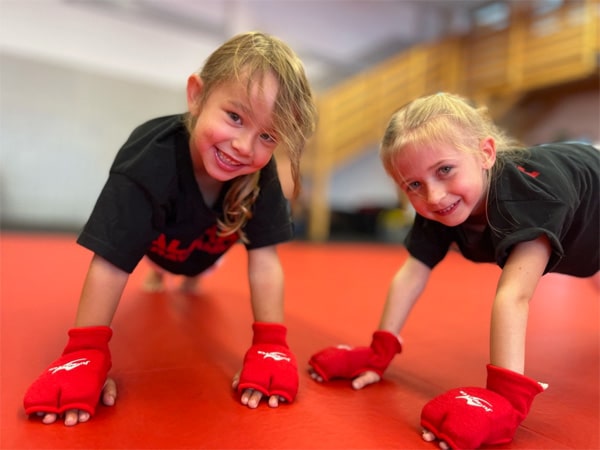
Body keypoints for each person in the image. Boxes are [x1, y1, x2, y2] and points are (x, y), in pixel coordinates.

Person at [23, 31, 318, 426]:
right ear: (196, 95)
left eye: (267, 136)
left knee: (197, 271)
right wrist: (84, 352)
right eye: (235, 117)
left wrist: (271, 346)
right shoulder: (150, 159)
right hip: (158, 244)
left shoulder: (259, 176)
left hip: (210, 246)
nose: (245, 147)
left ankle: (190, 278)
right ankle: (162, 278)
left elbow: (265, 260)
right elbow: (112, 258)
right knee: (160, 267)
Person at [308, 92, 599, 449]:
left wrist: (506, 399)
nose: (433, 196)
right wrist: (379, 349)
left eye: (445, 170)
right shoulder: (440, 205)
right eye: (413, 185)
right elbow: (412, 272)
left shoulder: (529, 196)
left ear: (485, 154)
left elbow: (514, 295)